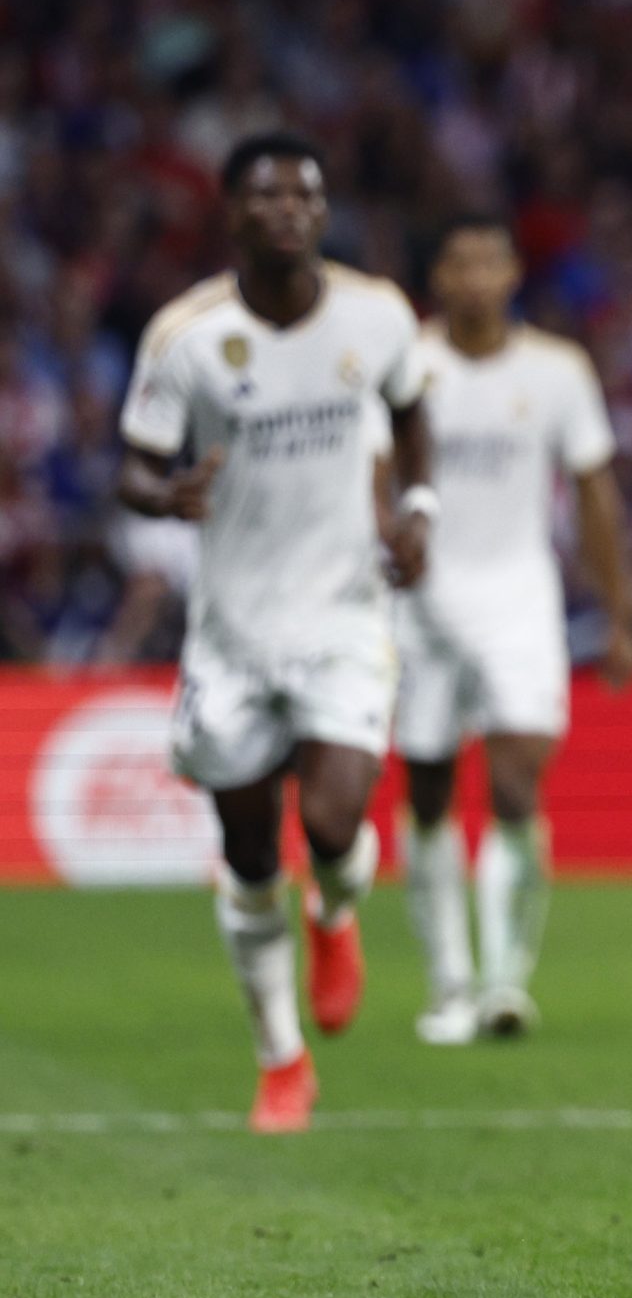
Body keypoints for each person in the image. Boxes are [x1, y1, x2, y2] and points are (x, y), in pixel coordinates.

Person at [115, 131, 435, 1133]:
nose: (288, 210)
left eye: (305, 194)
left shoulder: (377, 314)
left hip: (344, 610)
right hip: (233, 633)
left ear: (323, 211)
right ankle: (280, 1061)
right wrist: (167, 493)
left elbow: (411, 412)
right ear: (233, 214)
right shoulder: (187, 335)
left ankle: (335, 910)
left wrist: (417, 508)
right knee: (250, 852)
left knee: (334, 823)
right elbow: (133, 464)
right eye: (267, 196)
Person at [392, 216, 632, 1045]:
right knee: (429, 792)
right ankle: (448, 980)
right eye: (459, 262)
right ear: (439, 276)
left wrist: (618, 614)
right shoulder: (406, 364)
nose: (475, 277)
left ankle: (503, 979)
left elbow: (595, 493)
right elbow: (368, 471)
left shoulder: (558, 370)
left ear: (513, 274)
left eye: (489, 262)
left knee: (514, 783)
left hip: (519, 599)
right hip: (420, 605)